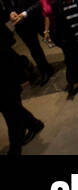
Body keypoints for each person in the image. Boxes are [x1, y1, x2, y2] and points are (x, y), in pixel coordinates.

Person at [0, 23, 43, 155]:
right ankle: (34, 124)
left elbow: (7, 42)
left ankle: (15, 147)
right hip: (7, 72)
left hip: (6, 74)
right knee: (10, 107)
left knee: (10, 112)